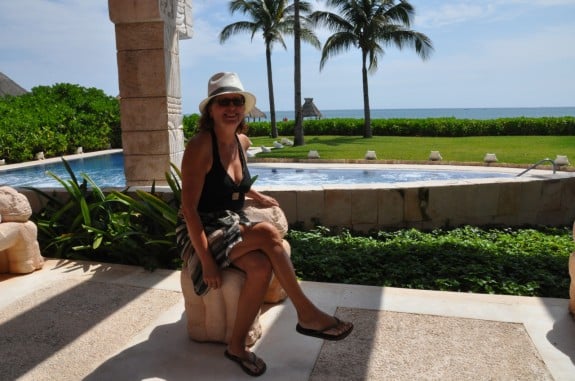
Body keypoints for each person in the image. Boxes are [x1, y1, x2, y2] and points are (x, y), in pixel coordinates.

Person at [176, 72, 353, 377]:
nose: (231, 107)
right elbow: (188, 209)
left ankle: (236, 346)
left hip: (229, 224)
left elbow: (233, 183)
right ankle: (306, 313)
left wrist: (256, 194)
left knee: (260, 267)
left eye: (237, 101)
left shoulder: (241, 141)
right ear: (210, 110)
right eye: (223, 102)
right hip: (202, 228)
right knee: (268, 233)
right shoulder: (200, 146)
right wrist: (206, 261)